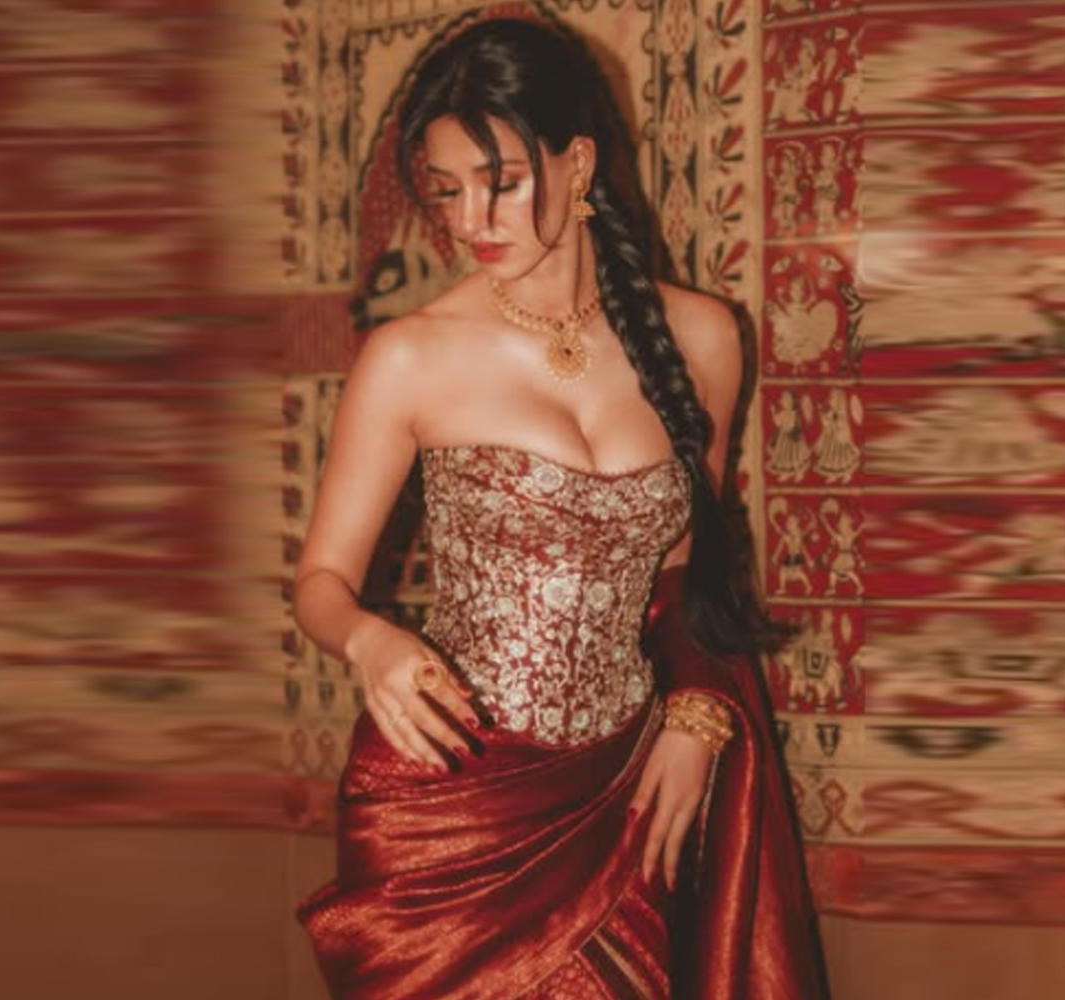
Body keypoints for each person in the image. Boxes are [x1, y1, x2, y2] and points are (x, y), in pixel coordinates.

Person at [292, 15, 831, 1000]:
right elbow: (321, 583)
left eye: (499, 182)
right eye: (447, 189)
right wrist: (369, 641)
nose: (470, 219)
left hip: (623, 793)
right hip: (445, 809)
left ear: (576, 163)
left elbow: (690, 576)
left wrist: (698, 718)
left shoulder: (704, 338)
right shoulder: (411, 355)